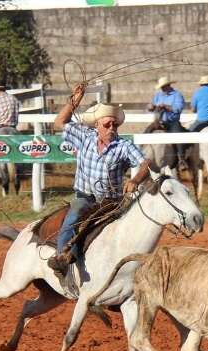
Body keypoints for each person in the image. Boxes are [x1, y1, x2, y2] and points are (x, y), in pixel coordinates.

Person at [47, 84, 151, 281]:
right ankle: (61, 256)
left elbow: (145, 163)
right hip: (85, 196)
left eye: (115, 125)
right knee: (73, 218)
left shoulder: (123, 146)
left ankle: (132, 270)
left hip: (111, 201)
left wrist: (136, 179)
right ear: (97, 125)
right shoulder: (84, 137)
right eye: (107, 125)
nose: (112, 128)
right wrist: (75, 99)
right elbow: (59, 122)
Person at [147, 76, 187, 169]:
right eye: (161, 87)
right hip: (159, 121)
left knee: (178, 135)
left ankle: (181, 159)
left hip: (172, 122)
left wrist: (166, 106)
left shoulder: (177, 95)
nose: (162, 89)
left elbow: (178, 109)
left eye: (164, 86)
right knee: (146, 133)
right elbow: (151, 106)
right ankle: (140, 154)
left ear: (168, 85)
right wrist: (151, 107)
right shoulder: (158, 95)